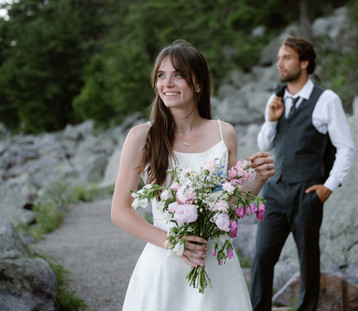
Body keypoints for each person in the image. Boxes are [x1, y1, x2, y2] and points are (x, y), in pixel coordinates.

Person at [111, 40, 275, 311]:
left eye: (178, 75)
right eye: (161, 75)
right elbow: (119, 211)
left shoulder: (225, 134)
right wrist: (174, 242)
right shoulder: (142, 137)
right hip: (164, 264)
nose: (168, 83)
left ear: (198, 84)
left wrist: (258, 179)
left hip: (216, 265)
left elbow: (227, 208)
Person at [250, 37, 355, 311]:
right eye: (278, 58)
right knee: (262, 256)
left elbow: (346, 148)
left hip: (307, 192)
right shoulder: (276, 98)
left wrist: (328, 187)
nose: (279, 64)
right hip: (275, 190)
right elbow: (265, 144)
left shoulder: (327, 100)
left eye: (286, 58)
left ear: (304, 62)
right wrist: (271, 120)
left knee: (308, 259)